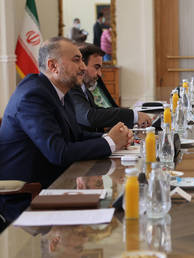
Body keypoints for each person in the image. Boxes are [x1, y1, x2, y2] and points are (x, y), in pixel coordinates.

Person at [0, 37, 133, 189]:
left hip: (61, 182)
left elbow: (76, 136)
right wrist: (111, 142)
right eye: (76, 60)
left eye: (83, 60)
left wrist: (112, 137)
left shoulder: (62, 91)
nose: (83, 67)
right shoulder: (33, 96)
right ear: (53, 66)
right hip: (29, 193)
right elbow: (58, 153)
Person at [68, 43, 152, 132]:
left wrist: (132, 116)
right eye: (96, 67)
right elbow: (90, 117)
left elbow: (98, 111)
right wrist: (133, 115)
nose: (99, 74)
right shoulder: (71, 87)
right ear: (82, 65)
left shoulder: (84, 88)